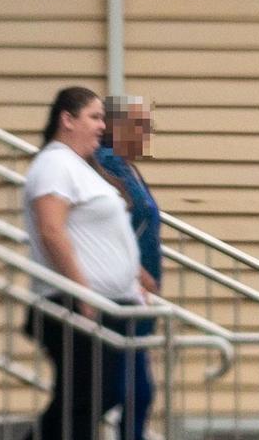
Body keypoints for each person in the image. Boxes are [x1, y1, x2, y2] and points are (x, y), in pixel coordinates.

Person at [23, 86, 145, 440]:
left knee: (92, 399)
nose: (101, 127)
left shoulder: (80, 168)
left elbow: (102, 231)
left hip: (106, 305)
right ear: (67, 119)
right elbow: (51, 230)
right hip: (74, 306)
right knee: (89, 398)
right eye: (94, 117)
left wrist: (135, 277)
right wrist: (83, 292)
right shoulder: (54, 164)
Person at [95, 95, 162, 440]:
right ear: (116, 127)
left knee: (136, 392)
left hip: (135, 299)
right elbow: (109, 224)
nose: (148, 132)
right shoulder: (106, 162)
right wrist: (136, 271)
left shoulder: (127, 165)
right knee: (128, 391)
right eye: (140, 125)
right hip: (119, 293)